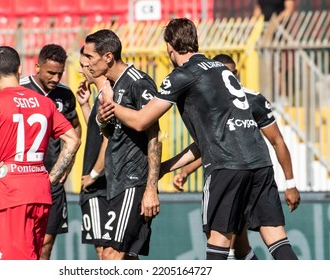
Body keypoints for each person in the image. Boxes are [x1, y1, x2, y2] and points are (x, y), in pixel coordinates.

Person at [98, 18, 298, 260]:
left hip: (226, 167)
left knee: (219, 244)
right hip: (260, 163)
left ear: (169, 46)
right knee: (277, 239)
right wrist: (166, 167)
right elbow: (209, 140)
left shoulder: (182, 75)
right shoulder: (221, 69)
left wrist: (110, 104)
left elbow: (142, 121)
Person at [161, 53, 300, 260]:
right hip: (251, 170)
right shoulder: (217, 99)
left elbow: (277, 140)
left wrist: (290, 183)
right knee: (244, 243)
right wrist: (184, 170)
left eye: (233, 72)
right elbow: (211, 143)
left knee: (223, 241)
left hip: (233, 173)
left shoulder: (250, 99)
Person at [0, 46, 80, 260]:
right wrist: (52, 177)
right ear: (20, 69)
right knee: (34, 259)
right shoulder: (44, 103)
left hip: (11, 192)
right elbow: (73, 139)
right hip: (40, 190)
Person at [83, 29, 162, 260]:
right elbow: (112, 134)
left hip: (133, 182)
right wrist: (102, 120)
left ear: (108, 57)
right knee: (126, 257)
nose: (86, 63)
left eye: (89, 57)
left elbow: (154, 136)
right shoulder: (113, 86)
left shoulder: (139, 83)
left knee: (111, 255)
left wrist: (150, 189)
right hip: (116, 183)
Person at [20, 44, 81, 260]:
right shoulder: (20, 90)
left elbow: (75, 127)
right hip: (24, 179)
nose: (56, 78)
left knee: (46, 244)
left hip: (52, 180)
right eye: (51, 73)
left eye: (60, 73)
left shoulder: (65, 95)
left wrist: (68, 163)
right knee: (24, 244)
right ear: (37, 66)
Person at [76, 46, 109, 260]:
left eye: (82, 65)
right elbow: (98, 131)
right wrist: (85, 105)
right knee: (117, 250)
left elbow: (110, 139)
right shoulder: (100, 96)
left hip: (99, 186)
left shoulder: (108, 94)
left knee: (104, 249)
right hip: (100, 184)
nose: (80, 71)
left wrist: (94, 175)